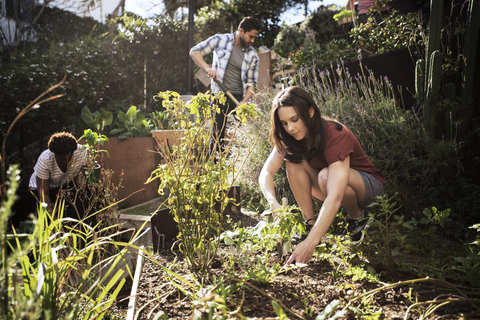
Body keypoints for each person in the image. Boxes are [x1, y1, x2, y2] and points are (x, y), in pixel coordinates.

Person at [258, 86, 384, 265]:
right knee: (293, 160)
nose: (290, 128)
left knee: (325, 176)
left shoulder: (335, 134)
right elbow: (266, 172)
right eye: (285, 123)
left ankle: (356, 216)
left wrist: (310, 244)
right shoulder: (291, 137)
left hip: (367, 186)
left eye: (295, 119)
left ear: (310, 112)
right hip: (330, 186)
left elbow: (335, 196)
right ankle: (310, 224)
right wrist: (272, 202)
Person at [190, 16, 262, 155]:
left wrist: (244, 102)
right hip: (218, 95)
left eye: (254, 37)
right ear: (241, 31)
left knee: (242, 137)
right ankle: (215, 170)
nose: (252, 41)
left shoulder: (253, 55)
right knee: (217, 136)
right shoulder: (220, 40)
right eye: (250, 36)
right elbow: (194, 51)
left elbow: (252, 85)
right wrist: (207, 69)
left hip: (238, 99)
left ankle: (238, 172)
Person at [28, 132, 88, 217]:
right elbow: (44, 194)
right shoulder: (45, 159)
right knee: (44, 218)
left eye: (67, 158)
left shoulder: (82, 152)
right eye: (60, 159)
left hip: (62, 186)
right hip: (39, 190)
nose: (64, 162)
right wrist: (54, 221)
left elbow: (80, 178)